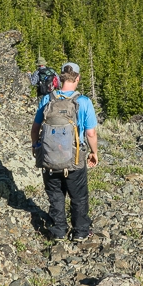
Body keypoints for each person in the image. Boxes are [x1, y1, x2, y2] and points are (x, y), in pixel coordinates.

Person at [31, 62, 98, 241]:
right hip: (75, 159)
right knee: (79, 197)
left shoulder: (48, 99)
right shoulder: (83, 102)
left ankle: (59, 230)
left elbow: (36, 127)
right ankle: (81, 231)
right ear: (77, 78)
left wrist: (35, 146)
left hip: (49, 157)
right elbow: (91, 133)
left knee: (55, 195)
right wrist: (94, 153)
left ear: (60, 78)